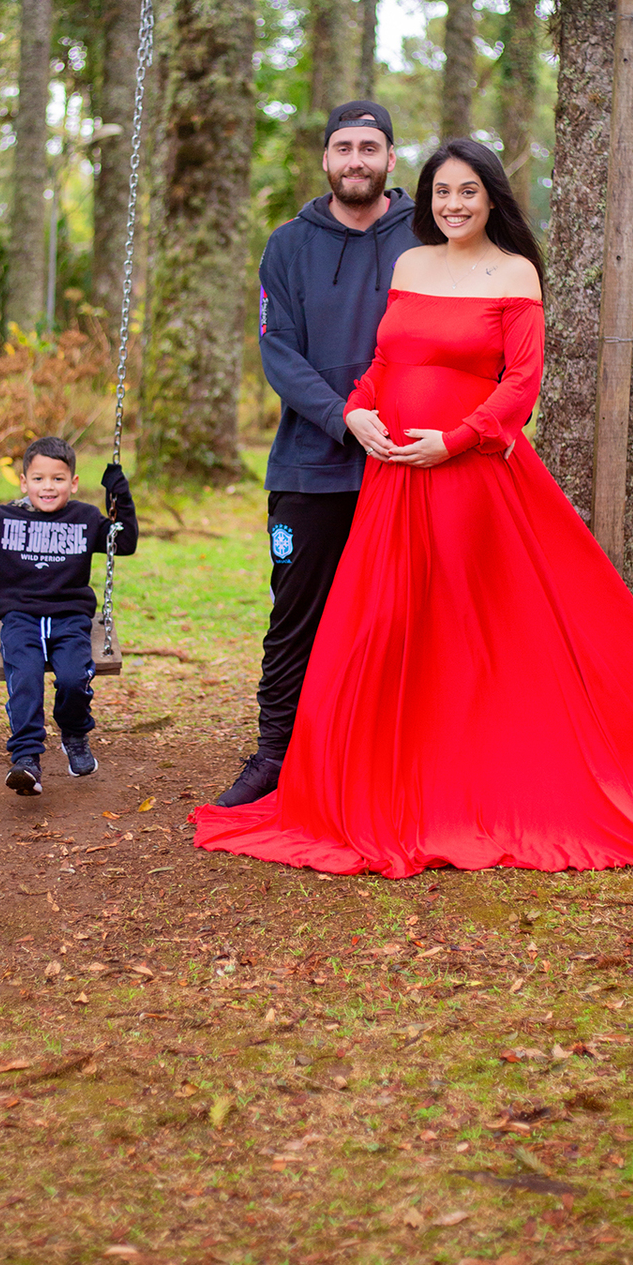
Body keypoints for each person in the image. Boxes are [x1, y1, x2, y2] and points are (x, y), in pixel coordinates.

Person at [194, 140, 633, 875]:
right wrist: (359, 411)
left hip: (467, 476)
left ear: (491, 198)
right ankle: (387, 776)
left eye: (467, 192)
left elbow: (521, 384)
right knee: (390, 621)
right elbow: (387, 362)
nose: (453, 205)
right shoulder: (410, 264)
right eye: (441, 193)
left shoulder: (515, 273)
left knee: (467, 625)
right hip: (395, 476)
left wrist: (454, 441)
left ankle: (478, 779)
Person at [214, 99, 419, 807]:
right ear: (326, 160)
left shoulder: (425, 237)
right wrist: (344, 418)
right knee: (295, 611)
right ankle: (276, 752)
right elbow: (280, 352)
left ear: (391, 158)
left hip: (408, 462)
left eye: (369, 147)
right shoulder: (286, 246)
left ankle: (391, 756)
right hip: (312, 464)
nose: (355, 160)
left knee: (404, 614)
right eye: (343, 148)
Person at [0, 436, 137, 796]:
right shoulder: (2, 519)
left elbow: (124, 542)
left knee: (73, 678)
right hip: (20, 619)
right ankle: (26, 759)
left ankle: (74, 733)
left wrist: (119, 493)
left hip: (70, 619)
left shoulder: (85, 519)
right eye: (38, 478)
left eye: (58, 479)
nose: (48, 487)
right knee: (26, 678)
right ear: (24, 482)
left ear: (73, 483)